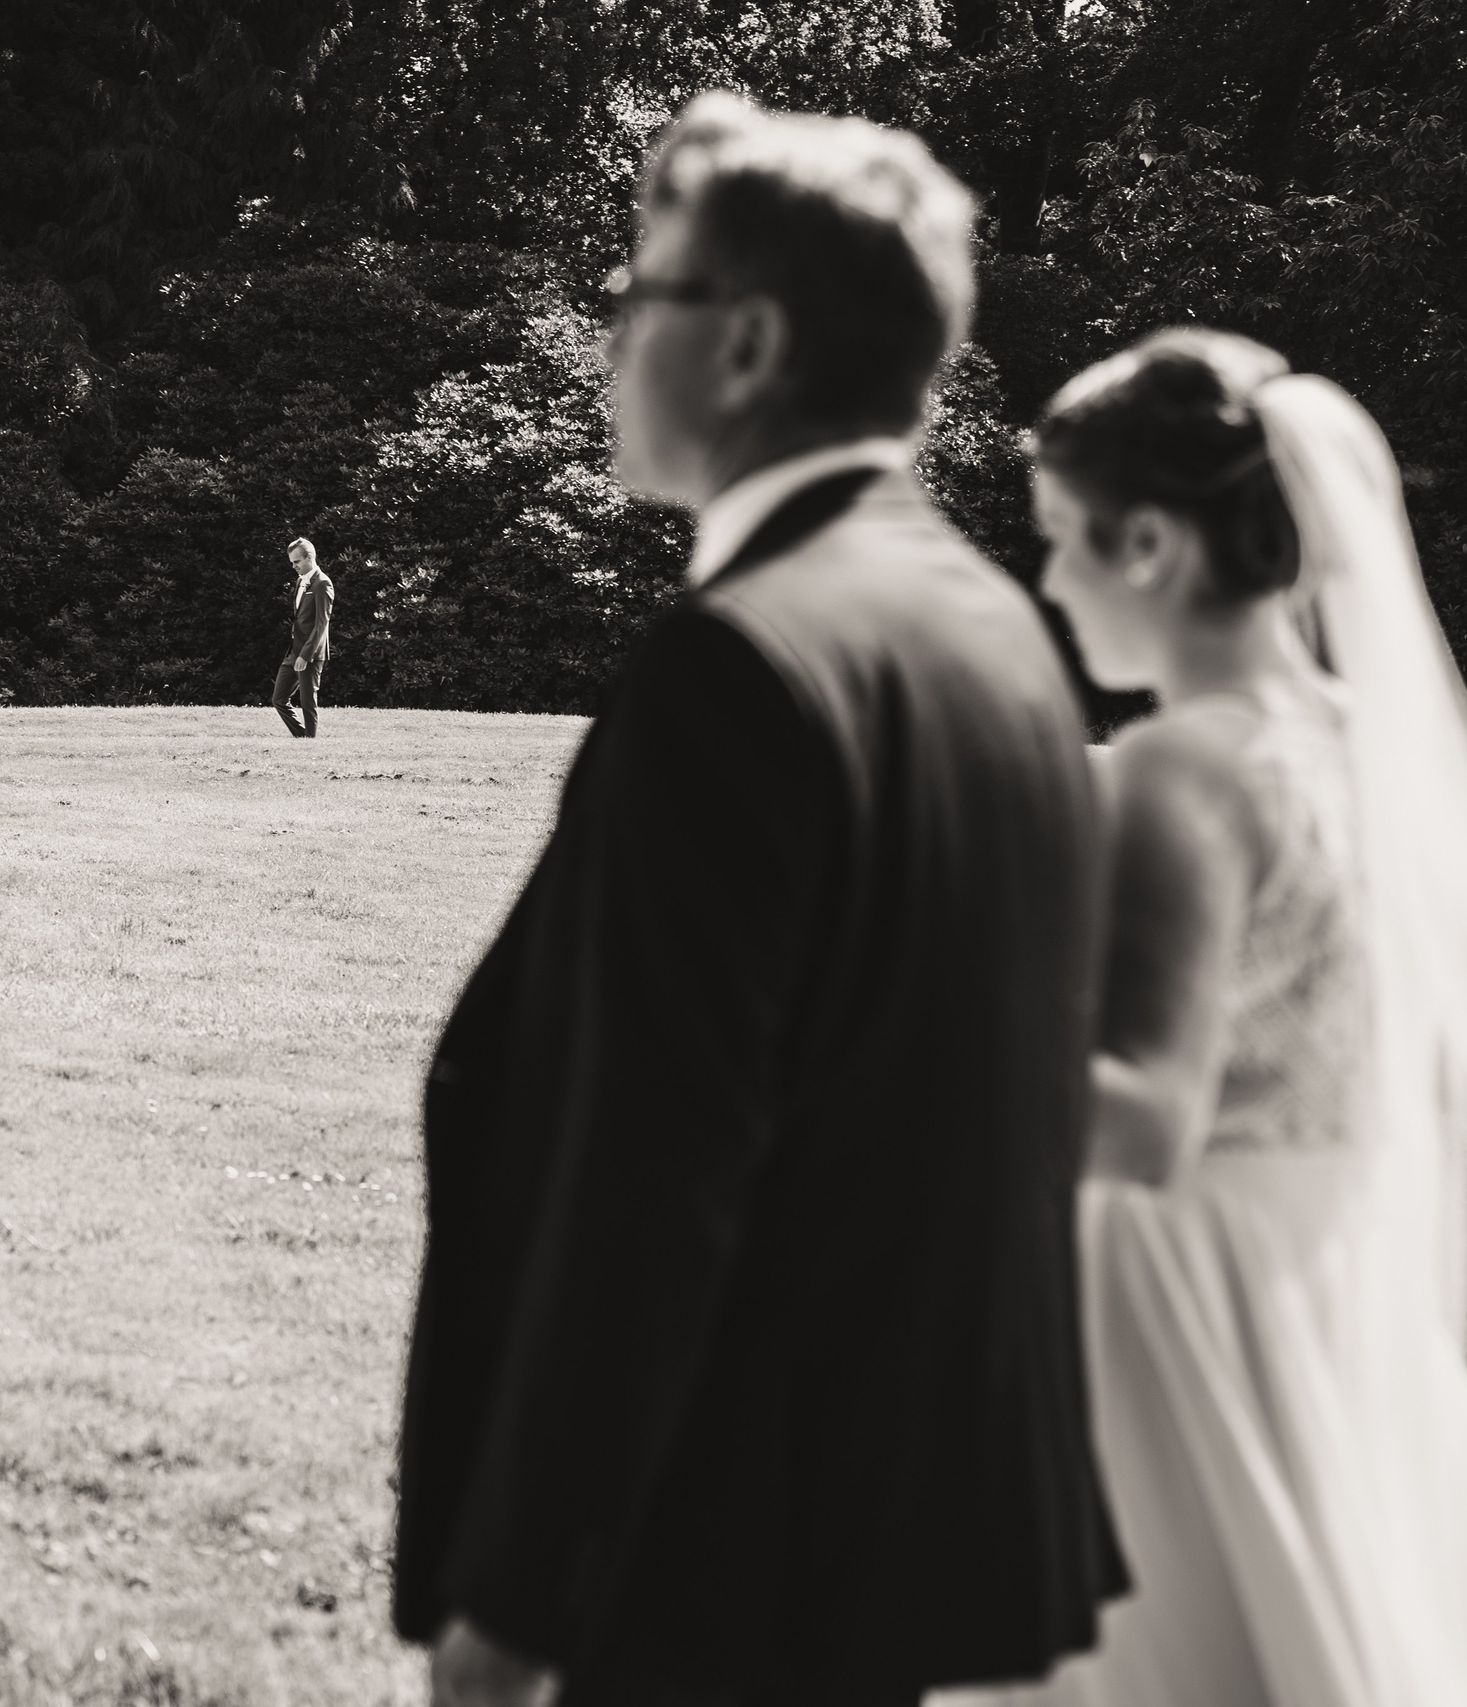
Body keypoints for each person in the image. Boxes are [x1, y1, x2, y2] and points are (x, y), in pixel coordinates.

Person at [393, 93, 1127, 1707]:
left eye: (634, 292)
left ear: (747, 343)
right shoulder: (995, 633)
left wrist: (513, 1615)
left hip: (710, 1561)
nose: (602, 332)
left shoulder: (736, 668)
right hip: (895, 1539)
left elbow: (651, 1179)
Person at [933, 328, 1467, 1705]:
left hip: (1177, 1295)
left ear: (1154, 549)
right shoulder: (1364, 748)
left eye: (1063, 540)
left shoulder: (1182, 767)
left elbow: (1146, 1115)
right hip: (1331, 1273)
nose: (1048, 581)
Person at [271, 537, 332, 737]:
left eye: (297, 562)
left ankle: (310, 741)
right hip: (293, 650)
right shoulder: (300, 581)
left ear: (309, 557)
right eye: (292, 562)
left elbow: (321, 624)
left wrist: (305, 655)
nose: (294, 566)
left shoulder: (322, 584)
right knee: (279, 699)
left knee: (308, 701)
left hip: (311, 653)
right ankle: (303, 737)